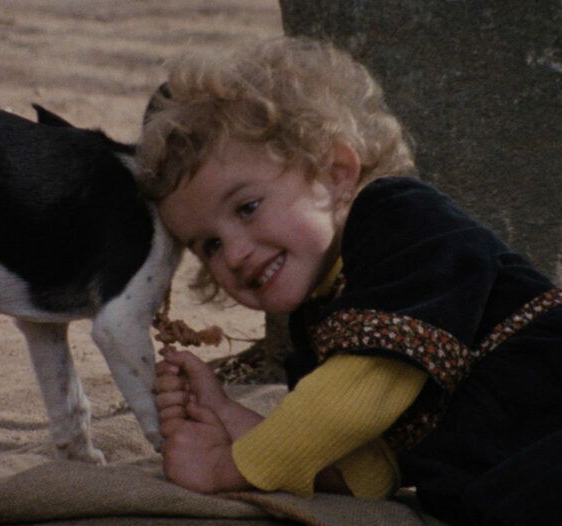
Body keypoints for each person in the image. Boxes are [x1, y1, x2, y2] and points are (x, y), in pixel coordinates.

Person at [136, 37, 562, 525]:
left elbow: (369, 386)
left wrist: (228, 466)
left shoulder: (400, 221)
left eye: (248, 207)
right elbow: (370, 469)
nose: (233, 253)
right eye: (207, 244)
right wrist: (230, 419)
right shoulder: (319, 326)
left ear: (337, 172)